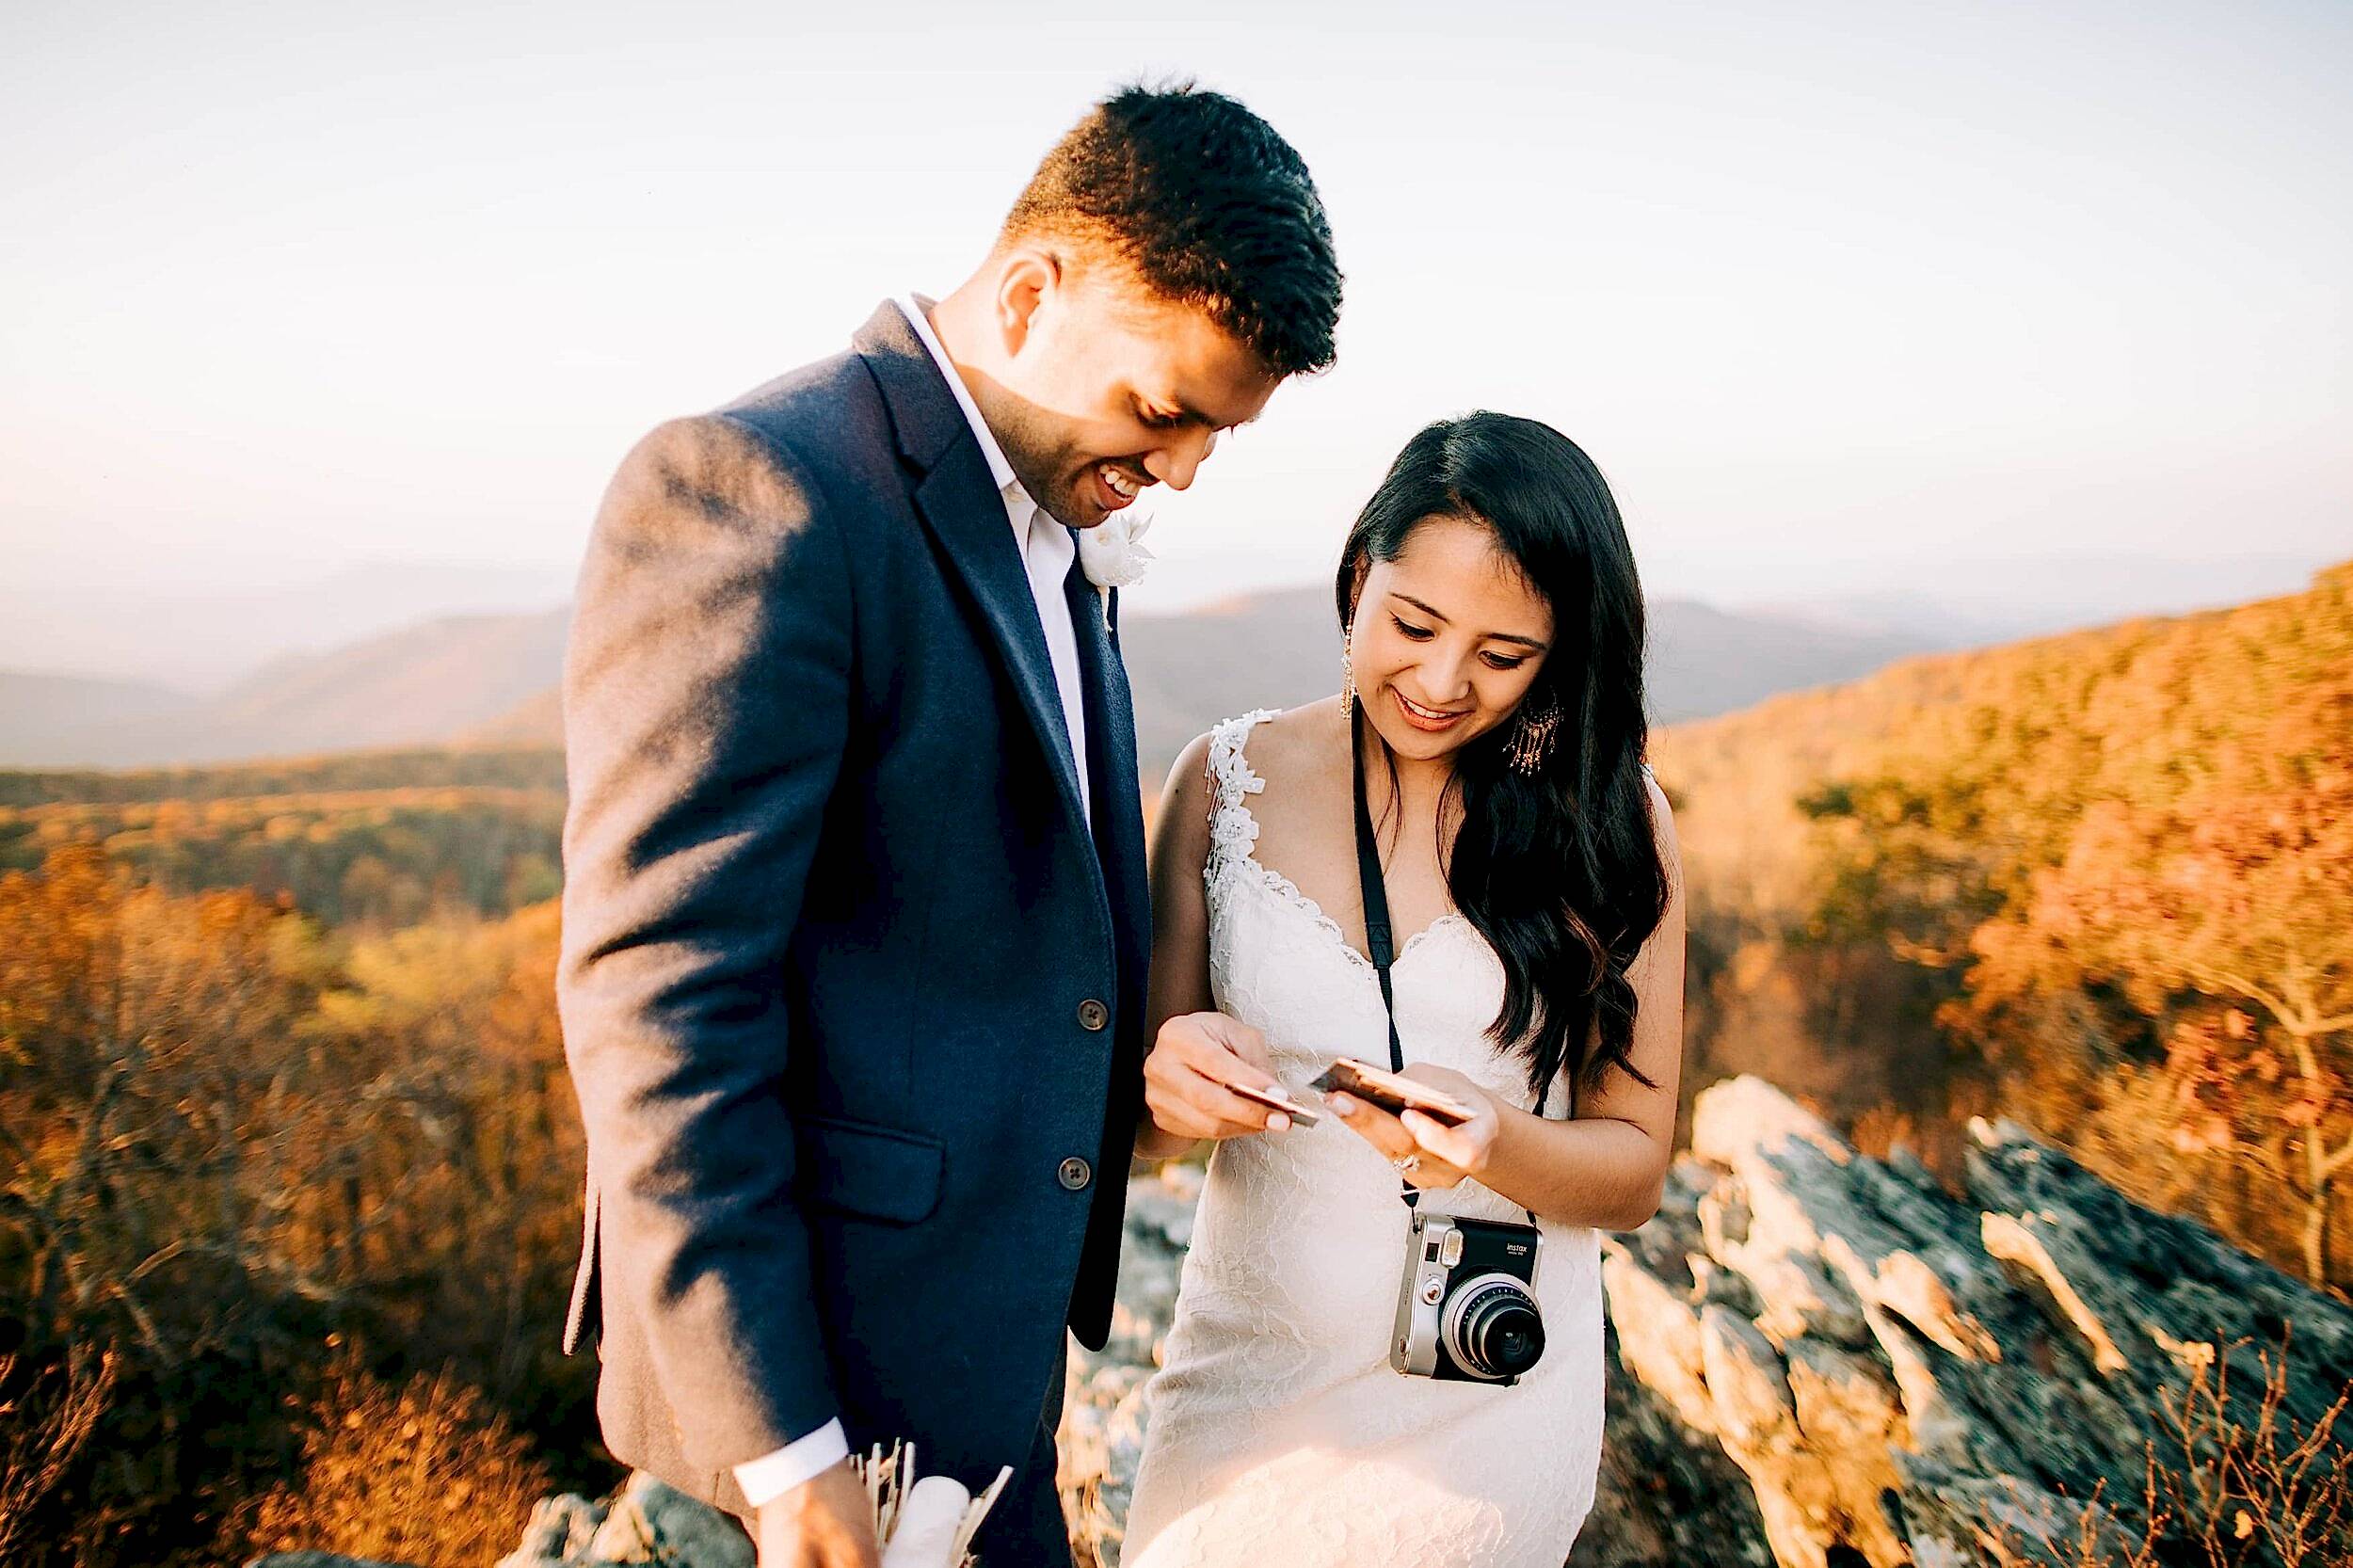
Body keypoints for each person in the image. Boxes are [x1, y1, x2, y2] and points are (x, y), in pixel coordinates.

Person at [553, 84, 1341, 1568]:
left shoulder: (1054, 513)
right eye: (1166, 411)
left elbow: (981, 930)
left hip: (985, 1383)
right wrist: (784, 1453)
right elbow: (657, 1000)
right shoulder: (759, 488)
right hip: (810, 1410)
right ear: (1033, 292)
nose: (1178, 470)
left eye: (1216, 436)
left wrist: (1146, 1064)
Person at [1122, 411, 1686, 1567]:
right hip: (1242, 1388)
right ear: (1355, 579)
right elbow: (1132, 1135)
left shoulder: (1615, 825)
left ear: (1562, 652)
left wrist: (1494, 1141)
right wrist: (1170, 1091)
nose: (1439, 681)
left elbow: (1630, 1169)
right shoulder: (1220, 781)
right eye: (1412, 623)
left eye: (1501, 654)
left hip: (1481, 1410)